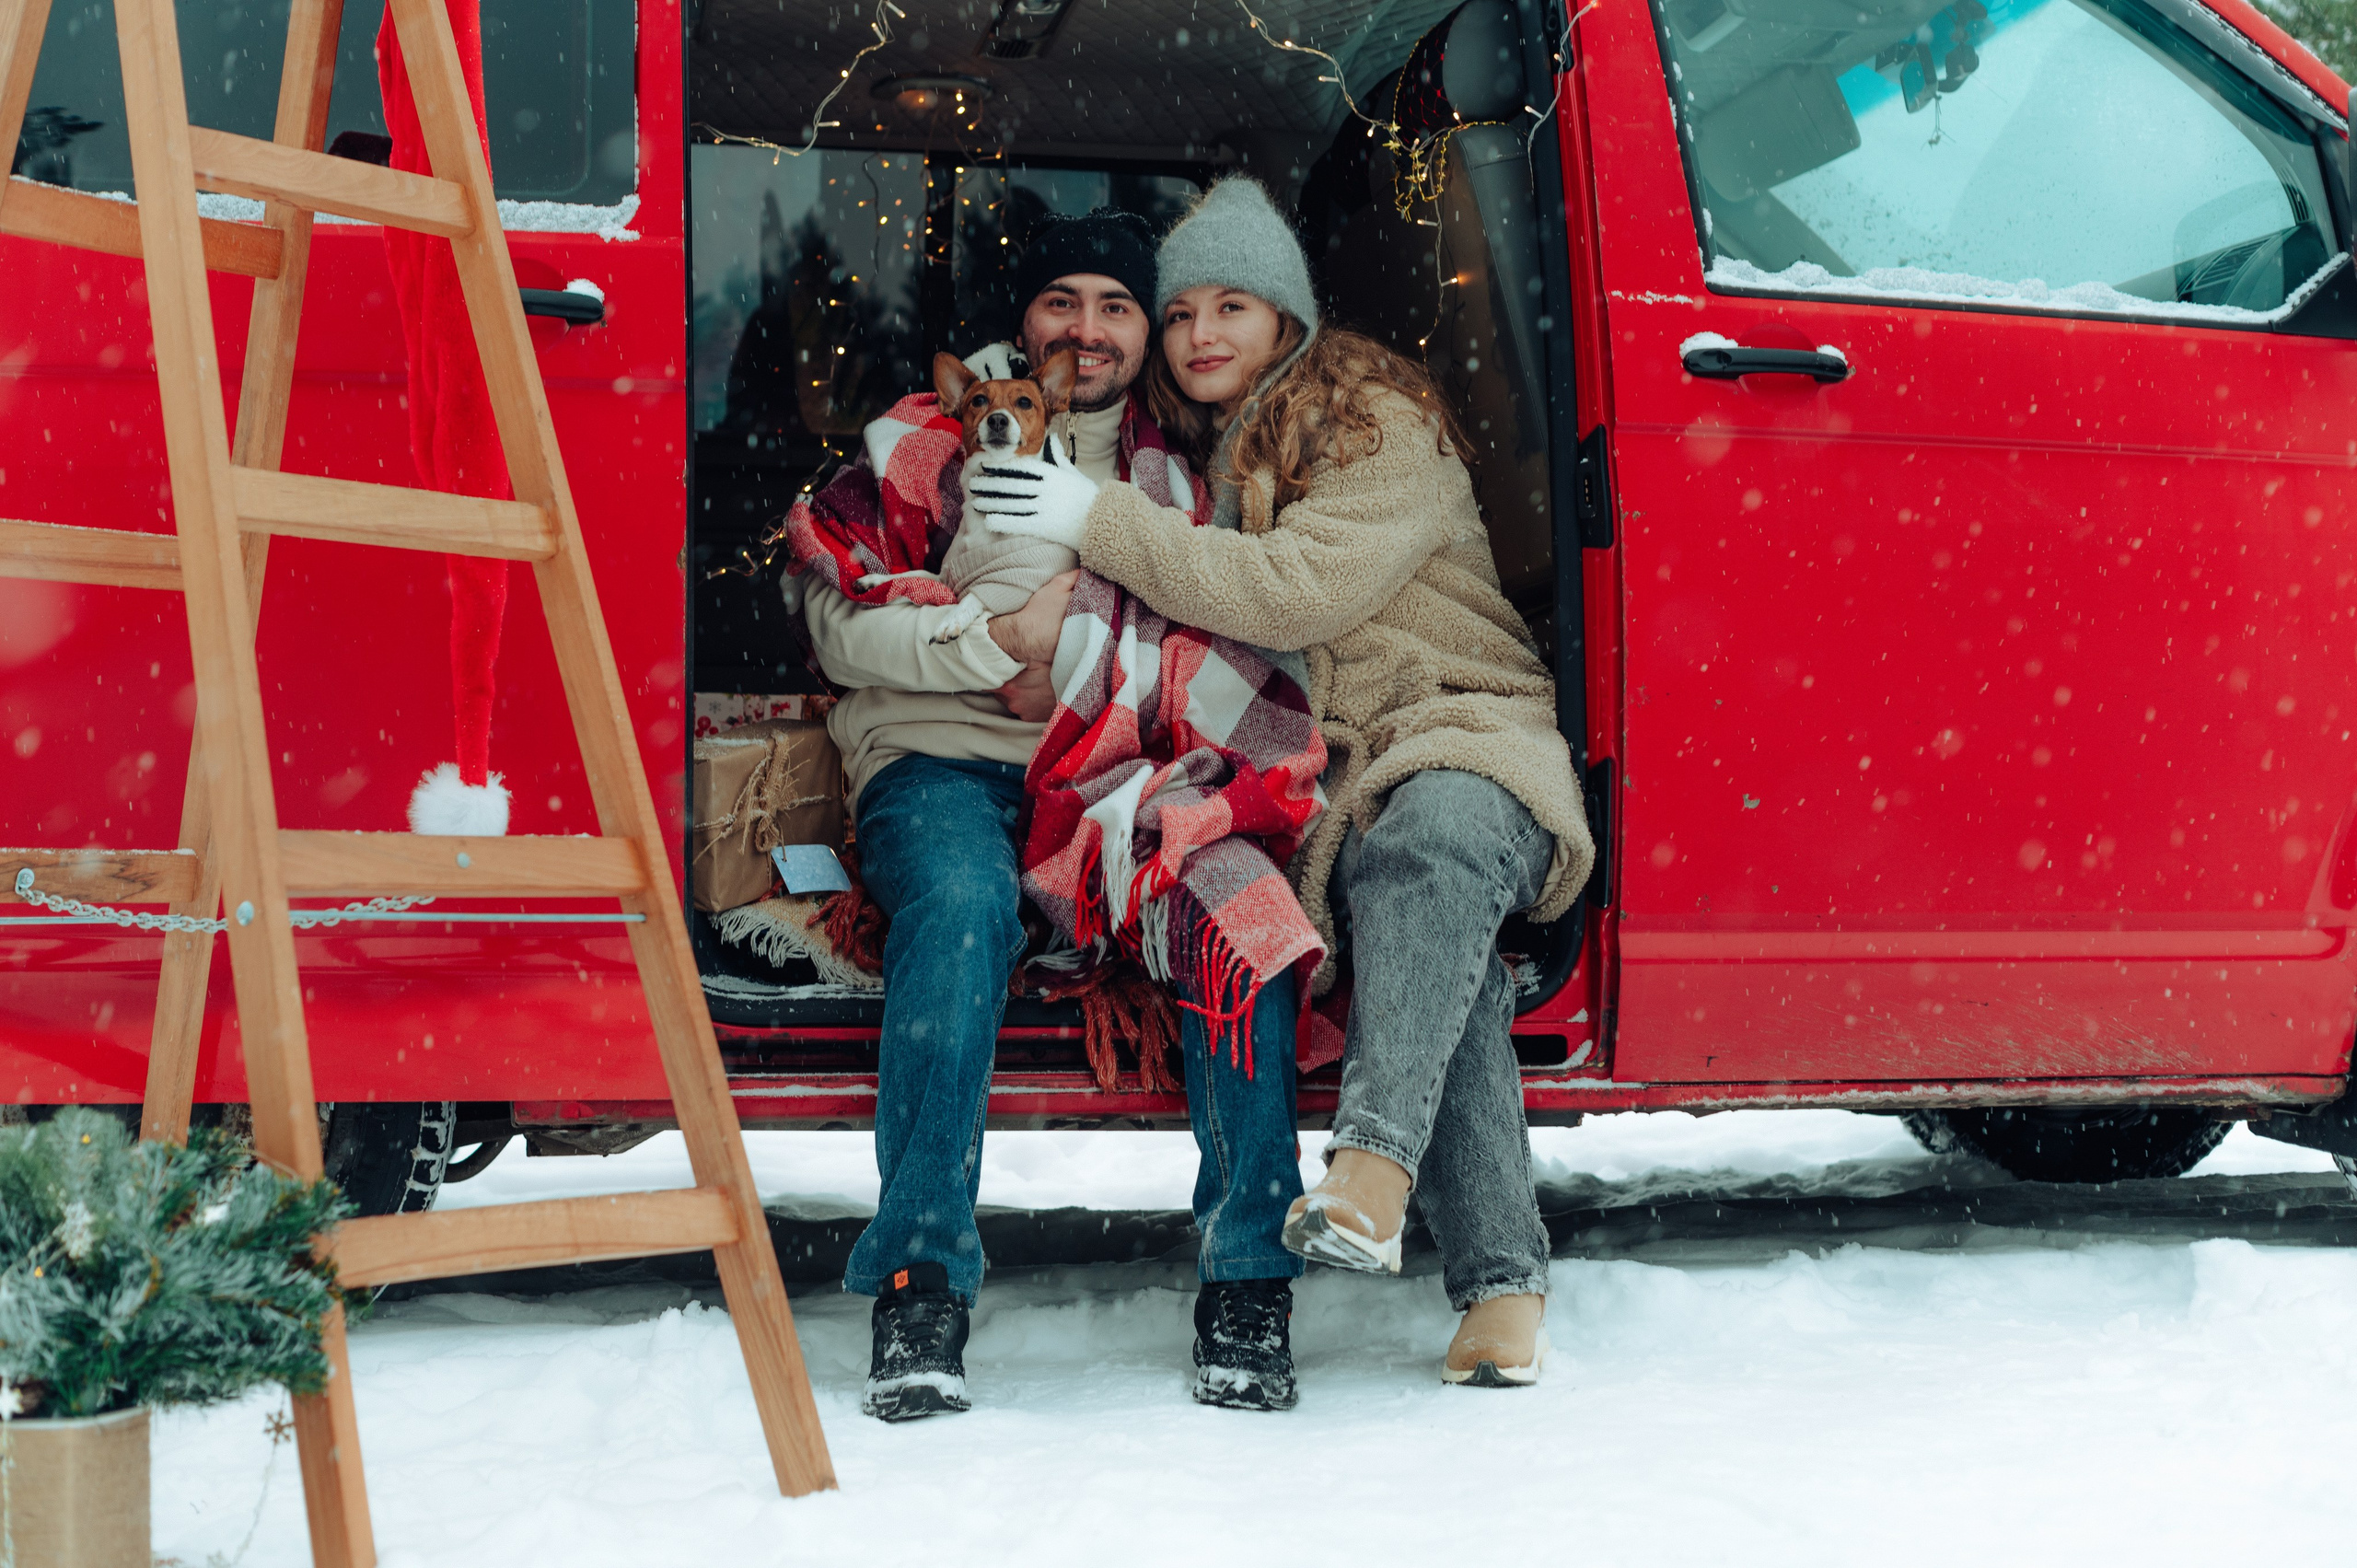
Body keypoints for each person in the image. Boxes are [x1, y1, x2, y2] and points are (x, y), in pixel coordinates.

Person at [970, 179, 1594, 1388]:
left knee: (1427, 857)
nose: (1204, 332)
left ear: (1287, 325)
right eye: (1186, 309)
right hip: (1338, 778)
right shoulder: (1197, 461)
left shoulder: (1375, 432)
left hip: (1468, 729)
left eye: (1235, 308)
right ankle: (1504, 1286)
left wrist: (1090, 518)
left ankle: (1368, 1168)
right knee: (1419, 928)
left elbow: (1287, 593)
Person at [798, 209, 1307, 1421]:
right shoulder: (926, 442)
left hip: (1120, 773)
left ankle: (1249, 1278)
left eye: (1117, 305)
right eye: (1061, 300)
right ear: (1023, 323)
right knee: (964, 911)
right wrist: (996, 649)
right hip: (946, 762)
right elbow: (835, 612)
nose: (1087, 327)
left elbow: (1227, 628)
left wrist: (1099, 667)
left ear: (1146, 330)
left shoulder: (1186, 477)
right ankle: (921, 1283)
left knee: (1245, 914)